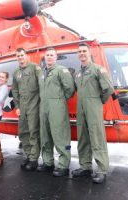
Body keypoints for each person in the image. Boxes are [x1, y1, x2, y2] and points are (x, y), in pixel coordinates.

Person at [72, 43, 114, 183]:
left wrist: (98, 101)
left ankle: (102, 169)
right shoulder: (77, 73)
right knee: (83, 137)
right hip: (81, 107)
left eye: (84, 51)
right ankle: (85, 167)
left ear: (89, 53)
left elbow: (108, 88)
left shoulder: (97, 69)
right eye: (79, 51)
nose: (82, 53)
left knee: (97, 137)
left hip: (93, 106)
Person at [37, 47, 75, 177]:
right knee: (45, 135)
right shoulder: (41, 73)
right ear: (45, 57)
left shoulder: (61, 70)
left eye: (52, 55)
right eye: (47, 55)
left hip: (57, 106)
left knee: (60, 135)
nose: (49, 57)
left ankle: (63, 165)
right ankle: (48, 162)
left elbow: (69, 89)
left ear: (56, 57)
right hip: (43, 107)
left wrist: (59, 100)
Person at [12, 48, 41, 171]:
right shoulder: (16, 72)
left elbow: (42, 84)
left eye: (22, 55)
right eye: (18, 56)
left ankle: (34, 159)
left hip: (34, 104)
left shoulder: (35, 68)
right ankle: (29, 155)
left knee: (33, 132)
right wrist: (17, 106)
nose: (20, 58)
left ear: (26, 55)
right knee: (23, 132)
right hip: (22, 106)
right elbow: (15, 90)